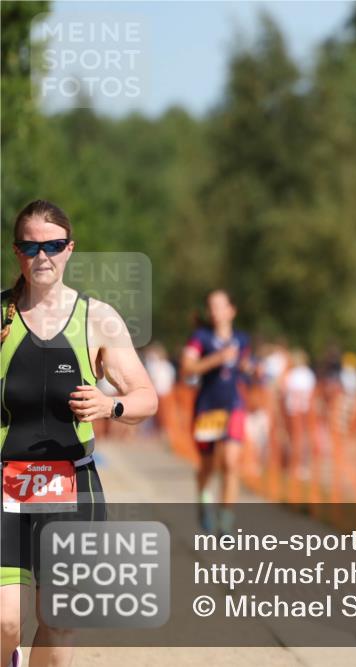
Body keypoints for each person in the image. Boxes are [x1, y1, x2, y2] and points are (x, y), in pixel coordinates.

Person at [1, 200, 158, 667]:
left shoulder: (96, 318)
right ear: (17, 252)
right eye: (31, 246)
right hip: (5, 484)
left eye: (52, 245)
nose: (42, 256)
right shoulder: (2, 317)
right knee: (5, 622)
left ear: (69, 249)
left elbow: (146, 397)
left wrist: (112, 405)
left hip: (73, 485)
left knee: (59, 619)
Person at [180, 290, 252, 537]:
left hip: (233, 405)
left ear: (232, 310)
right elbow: (187, 368)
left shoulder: (242, 339)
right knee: (208, 466)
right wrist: (217, 359)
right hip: (208, 408)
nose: (215, 311)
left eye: (220, 306)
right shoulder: (201, 338)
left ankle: (226, 519)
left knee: (231, 462)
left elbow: (243, 368)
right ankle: (203, 498)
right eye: (211, 307)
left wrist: (250, 368)